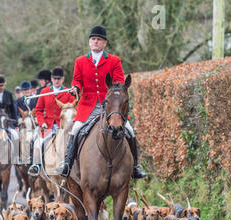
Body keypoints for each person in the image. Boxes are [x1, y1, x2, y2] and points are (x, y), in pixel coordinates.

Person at [56, 26, 146, 179]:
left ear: (105, 43)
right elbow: (77, 80)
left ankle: (135, 167)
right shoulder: (80, 61)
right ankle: (67, 164)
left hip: (111, 105)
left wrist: (115, 91)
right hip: (87, 106)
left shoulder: (114, 60)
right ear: (89, 42)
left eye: (99, 39)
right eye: (93, 39)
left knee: (130, 131)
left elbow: (118, 80)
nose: (95, 42)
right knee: (75, 130)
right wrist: (76, 88)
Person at [27, 66, 75, 177]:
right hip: (47, 125)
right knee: (38, 143)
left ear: (62, 79)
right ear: (51, 79)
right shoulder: (44, 92)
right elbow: (38, 110)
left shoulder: (67, 92)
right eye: (54, 78)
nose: (56, 81)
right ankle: (36, 165)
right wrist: (41, 122)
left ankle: (71, 165)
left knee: (71, 143)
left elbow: (73, 109)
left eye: (59, 79)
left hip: (62, 126)